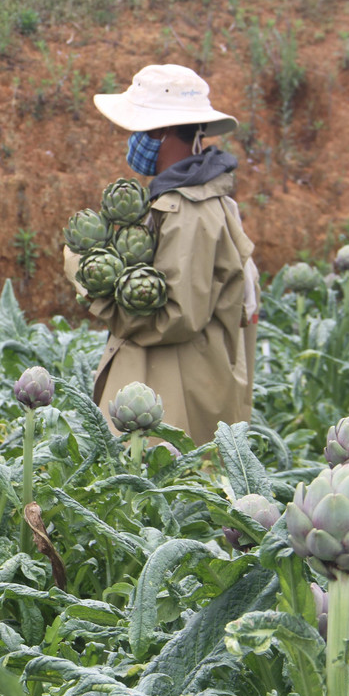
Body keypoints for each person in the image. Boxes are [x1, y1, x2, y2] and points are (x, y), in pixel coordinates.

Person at [71, 64, 259, 445]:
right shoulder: (190, 199)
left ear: (158, 131)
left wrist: (83, 274)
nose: (133, 140)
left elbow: (174, 316)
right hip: (175, 390)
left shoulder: (187, 210)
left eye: (138, 130)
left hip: (174, 404)